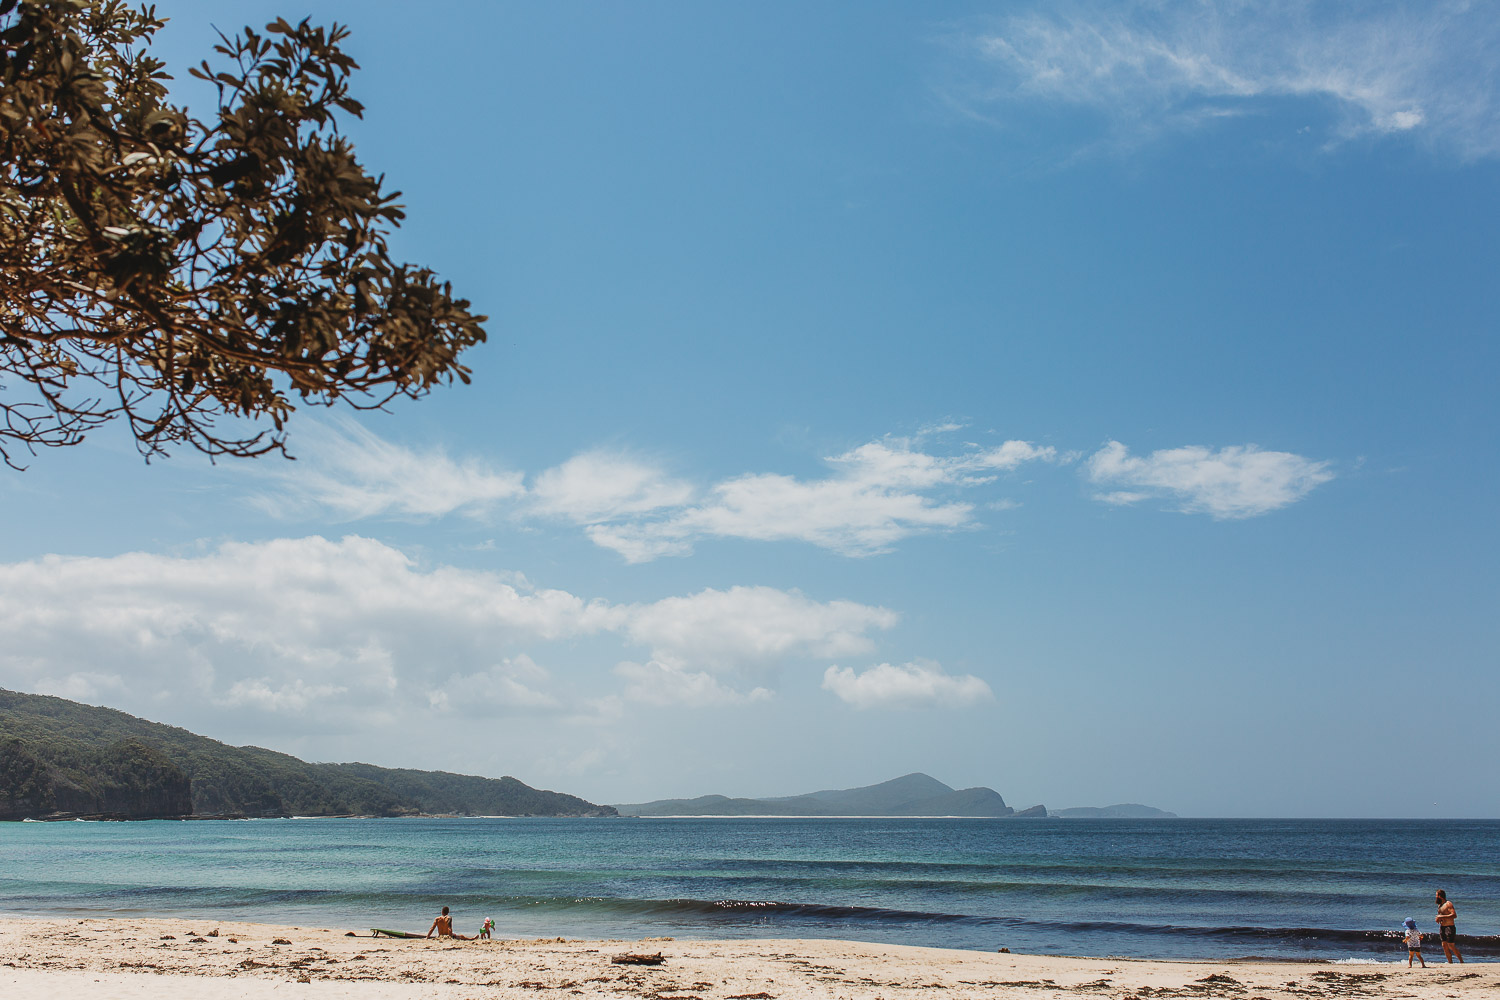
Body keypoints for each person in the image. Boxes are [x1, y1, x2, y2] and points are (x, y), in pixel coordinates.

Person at [1434, 890, 1463, 963]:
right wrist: (1439, 919)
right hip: (1442, 927)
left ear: (1440, 896)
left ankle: (1461, 961)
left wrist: (1441, 916)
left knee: (1451, 945)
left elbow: (1454, 915)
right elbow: (1441, 916)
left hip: (1449, 927)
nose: (1436, 897)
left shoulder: (1448, 904)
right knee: (1444, 945)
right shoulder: (1440, 905)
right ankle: (1450, 962)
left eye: (1436, 895)